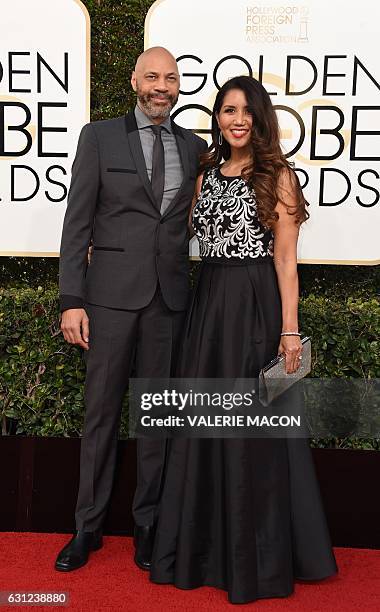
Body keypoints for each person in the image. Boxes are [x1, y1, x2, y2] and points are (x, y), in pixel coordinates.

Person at [149, 76, 338, 604]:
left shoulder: (277, 174)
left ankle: (258, 556)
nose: (237, 120)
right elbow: (178, 234)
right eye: (228, 110)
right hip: (207, 304)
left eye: (246, 112)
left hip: (254, 306)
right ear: (217, 116)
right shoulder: (206, 170)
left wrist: (290, 330)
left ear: (260, 119)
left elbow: (284, 258)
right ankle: (203, 548)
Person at [55, 47, 207, 572]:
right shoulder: (97, 137)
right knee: (100, 416)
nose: (162, 86)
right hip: (108, 301)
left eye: (171, 77)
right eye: (152, 76)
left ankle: (149, 524)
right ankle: (87, 528)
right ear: (134, 80)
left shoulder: (195, 147)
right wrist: (71, 299)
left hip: (169, 303)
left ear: (179, 85)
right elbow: (77, 225)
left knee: (155, 418)